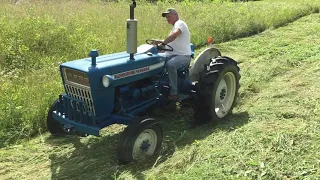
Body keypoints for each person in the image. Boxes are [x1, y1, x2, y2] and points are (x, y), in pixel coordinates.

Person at [159, 8, 191, 101]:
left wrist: (163, 43)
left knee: (171, 65)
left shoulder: (180, 23)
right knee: (156, 60)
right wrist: (157, 43)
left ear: (176, 15)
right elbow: (171, 41)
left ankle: (174, 93)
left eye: (169, 15)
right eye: (166, 16)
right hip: (171, 55)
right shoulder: (174, 27)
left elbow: (174, 36)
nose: (167, 18)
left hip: (183, 56)